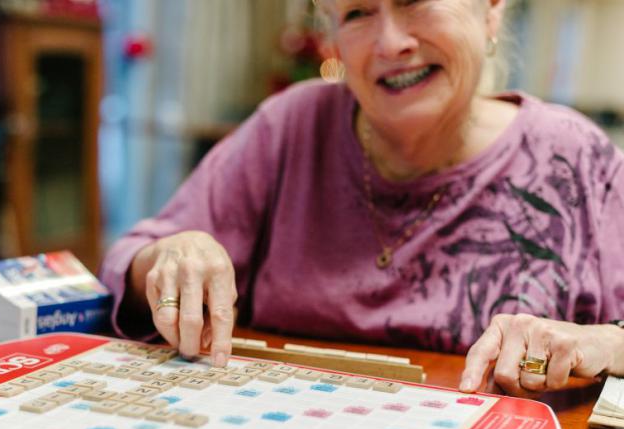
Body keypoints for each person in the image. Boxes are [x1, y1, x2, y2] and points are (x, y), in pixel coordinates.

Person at [101, 0, 624, 398]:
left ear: (490, 9)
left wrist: (602, 343)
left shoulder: (575, 159)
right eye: (357, 13)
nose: (390, 43)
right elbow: (131, 259)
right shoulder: (288, 129)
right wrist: (169, 258)